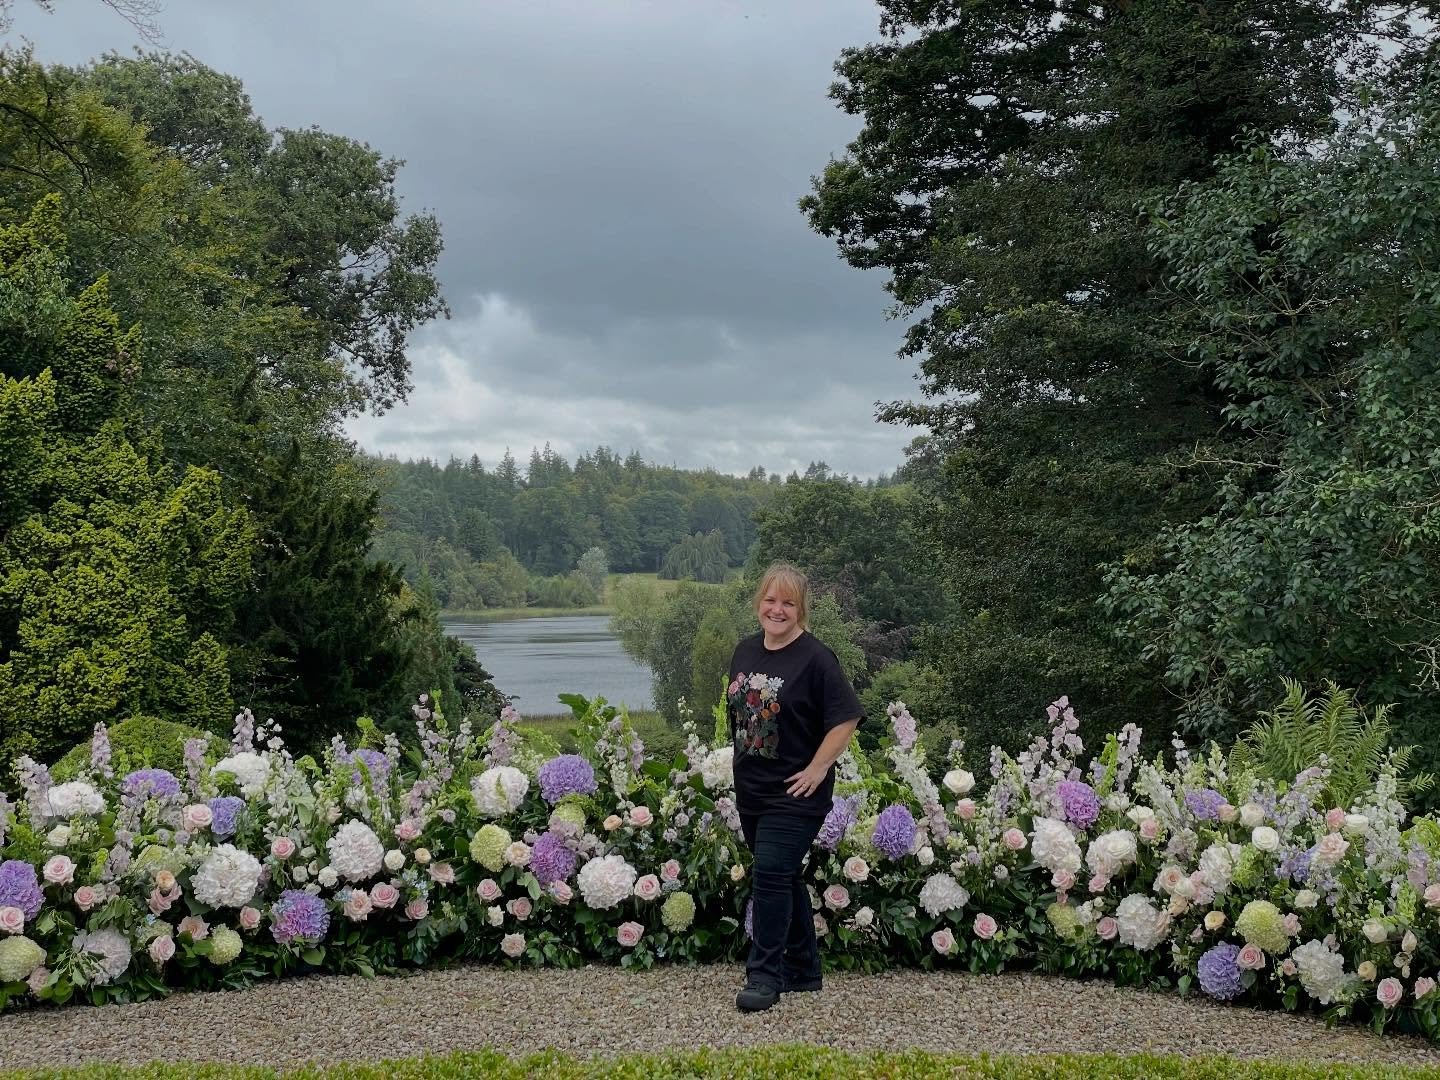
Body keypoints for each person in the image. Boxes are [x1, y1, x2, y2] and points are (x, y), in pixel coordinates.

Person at [727, 561, 862, 1012]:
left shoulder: (817, 658)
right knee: (781, 875)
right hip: (752, 792)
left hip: (796, 794)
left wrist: (818, 768)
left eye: (788, 602)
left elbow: (845, 717)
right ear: (758, 603)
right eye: (770, 599)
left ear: (801, 609)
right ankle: (804, 968)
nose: (777, 609)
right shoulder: (744, 652)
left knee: (768, 873)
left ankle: (765, 974)